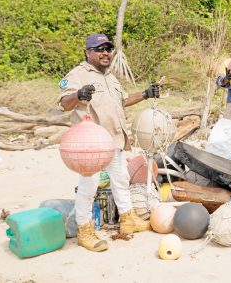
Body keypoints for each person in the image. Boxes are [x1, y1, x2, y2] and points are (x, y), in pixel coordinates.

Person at [58, 34, 160, 252]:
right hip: (91, 144)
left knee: (121, 179)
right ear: (88, 52)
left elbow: (123, 100)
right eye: (99, 49)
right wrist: (78, 94)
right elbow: (64, 104)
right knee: (89, 187)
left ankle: (127, 219)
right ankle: (84, 230)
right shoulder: (77, 74)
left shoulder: (111, 77)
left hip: (114, 139)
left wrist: (144, 94)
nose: (105, 53)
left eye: (108, 48)